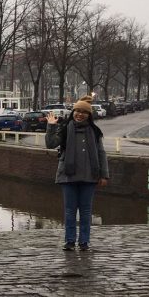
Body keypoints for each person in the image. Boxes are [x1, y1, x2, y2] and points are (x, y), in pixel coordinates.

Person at [45, 96, 109, 251]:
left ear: (89, 115)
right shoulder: (65, 129)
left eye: (84, 112)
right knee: (70, 211)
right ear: (73, 112)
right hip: (68, 175)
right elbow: (50, 144)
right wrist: (51, 126)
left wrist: (104, 175)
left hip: (89, 176)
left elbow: (101, 153)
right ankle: (69, 241)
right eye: (77, 111)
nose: (80, 114)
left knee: (86, 211)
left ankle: (84, 242)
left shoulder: (95, 132)